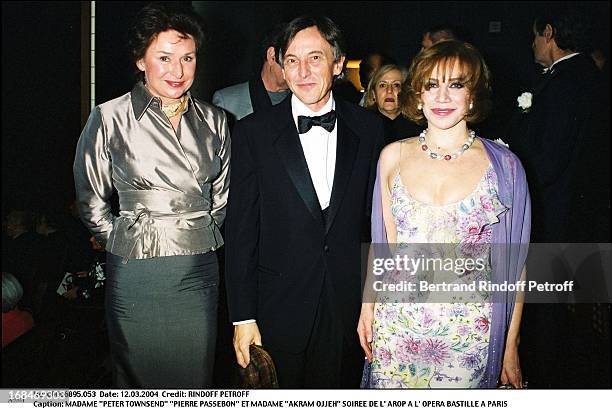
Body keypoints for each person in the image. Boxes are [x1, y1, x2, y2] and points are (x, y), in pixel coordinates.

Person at [73, 2, 230, 388]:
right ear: (141, 60)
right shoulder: (110, 116)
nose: (177, 71)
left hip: (198, 267)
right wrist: (128, 237)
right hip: (137, 270)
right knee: (139, 380)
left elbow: (221, 198)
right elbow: (90, 201)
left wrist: (196, 229)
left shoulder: (216, 120)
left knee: (195, 380)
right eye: (164, 57)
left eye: (187, 58)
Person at [358, 40, 530, 388]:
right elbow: (385, 248)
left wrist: (511, 345)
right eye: (432, 85)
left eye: (456, 85)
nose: (442, 97)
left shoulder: (505, 166)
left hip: (469, 335)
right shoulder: (392, 157)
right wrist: (367, 306)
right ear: (418, 94)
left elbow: (517, 266)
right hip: (398, 328)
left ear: (473, 95)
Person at [225, 15, 384, 388]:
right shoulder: (253, 133)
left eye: (315, 57)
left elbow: (376, 226)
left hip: (348, 308)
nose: (302, 71)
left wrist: (373, 301)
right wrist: (242, 317)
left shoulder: (370, 129)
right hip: (277, 308)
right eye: (292, 60)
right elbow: (241, 231)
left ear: (339, 63)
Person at [507, 9, 609, 243]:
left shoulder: (565, 84)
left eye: (535, 36)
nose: (533, 44)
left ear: (549, 33)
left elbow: (550, 157)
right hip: (581, 209)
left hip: (557, 209)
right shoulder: (586, 74)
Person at [212, 24, 289, 125]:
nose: (302, 70)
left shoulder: (307, 102)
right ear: (272, 56)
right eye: (292, 60)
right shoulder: (227, 102)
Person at [363, 64, 423, 145]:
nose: (389, 90)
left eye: (396, 85)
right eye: (383, 85)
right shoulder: (362, 127)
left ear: (405, 92)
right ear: (374, 94)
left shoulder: (421, 129)